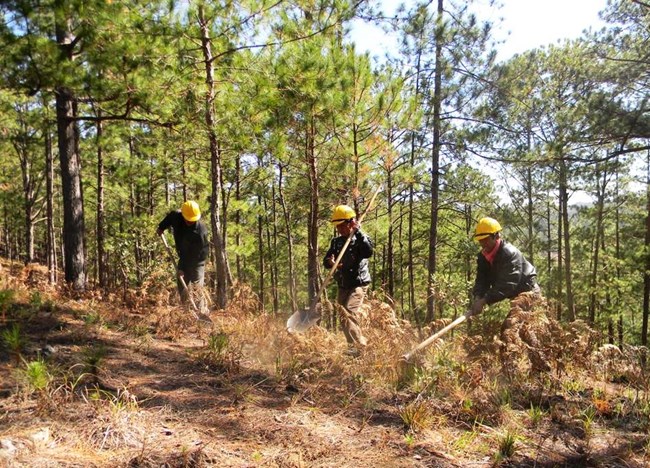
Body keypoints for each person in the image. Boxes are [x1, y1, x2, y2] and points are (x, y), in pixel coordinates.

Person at [323, 204, 373, 356]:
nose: (339, 229)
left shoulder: (361, 239)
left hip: (358, 283)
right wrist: (330, 263)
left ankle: (360, 348)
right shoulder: (336, 242)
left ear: (350, 223)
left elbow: (368, 252)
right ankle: (352, 347)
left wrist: (358, 233)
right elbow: (326, 260)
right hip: (343, 283)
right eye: (337, 226)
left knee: (349, 312)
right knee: (342, 316)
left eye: (341, 225)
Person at [469, 217, 539, 317]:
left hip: (529, 292)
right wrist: (478, 297)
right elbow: (482, 280)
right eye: (480, 240)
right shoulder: (483, 257)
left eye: (486, 239)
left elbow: (507, 285)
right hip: (515, 295)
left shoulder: (509, 254)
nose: (483, 244)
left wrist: (484, 300)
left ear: (496, 236)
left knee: (512, 328)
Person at [157, 200, 210, 312]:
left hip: (198, 259)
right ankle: (187, 311)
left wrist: (182, 268)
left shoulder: (200, 232)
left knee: (197, 287)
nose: (190, 222)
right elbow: (169, 219)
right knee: (182, 284)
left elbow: (194, 254)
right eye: (188, 220)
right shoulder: (176, 216)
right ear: (183, 215)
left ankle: (200, 310)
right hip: (184, 255)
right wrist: (161, 228)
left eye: (193, 220)